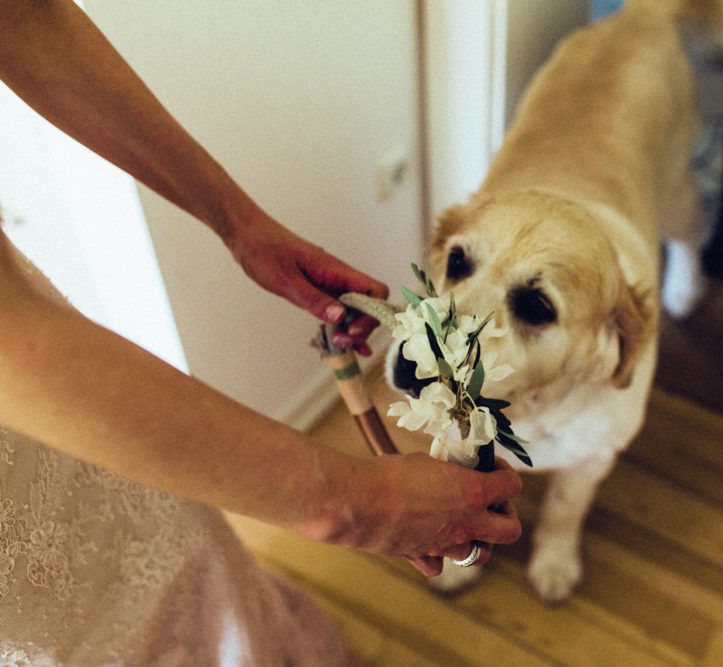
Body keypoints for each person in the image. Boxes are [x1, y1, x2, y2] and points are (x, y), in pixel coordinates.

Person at [0, 1, 522, 665]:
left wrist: (237, 220)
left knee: (185, 565)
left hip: (56, 402)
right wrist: (347, 502)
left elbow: (22, 15)